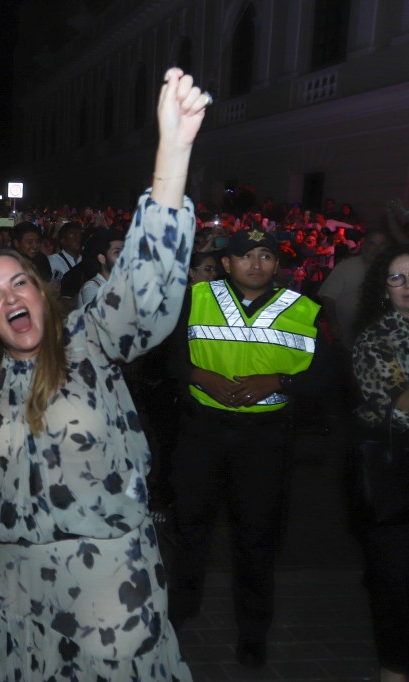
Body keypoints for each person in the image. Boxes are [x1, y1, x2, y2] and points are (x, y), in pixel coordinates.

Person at [0, 67, 205, 680]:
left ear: (38, 292)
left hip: (110, 588)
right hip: (17, 592)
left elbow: (142, 290)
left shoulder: (88, 341)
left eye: (18, 282)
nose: (8, 297)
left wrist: (173, 150)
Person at [167, 227, 334, 668]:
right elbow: (164, 354)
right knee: (190, 529)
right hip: (202, 429)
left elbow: (327, 375)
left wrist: (279, 381)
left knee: (256, 536)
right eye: (245, 256)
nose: (255, 264)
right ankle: (178, 613)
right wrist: (199, 376)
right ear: (227, 263)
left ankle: (253, 632)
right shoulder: (194, 298)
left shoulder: (306, 309)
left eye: (265, 256)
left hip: (266, 436)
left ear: (277, 265)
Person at [351, 244, 409, 682]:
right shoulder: (377, 338)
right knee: (398, 593)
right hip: (399, 480)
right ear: (383, 288)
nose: (408, 286)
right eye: (397, 277)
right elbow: (398, 406)